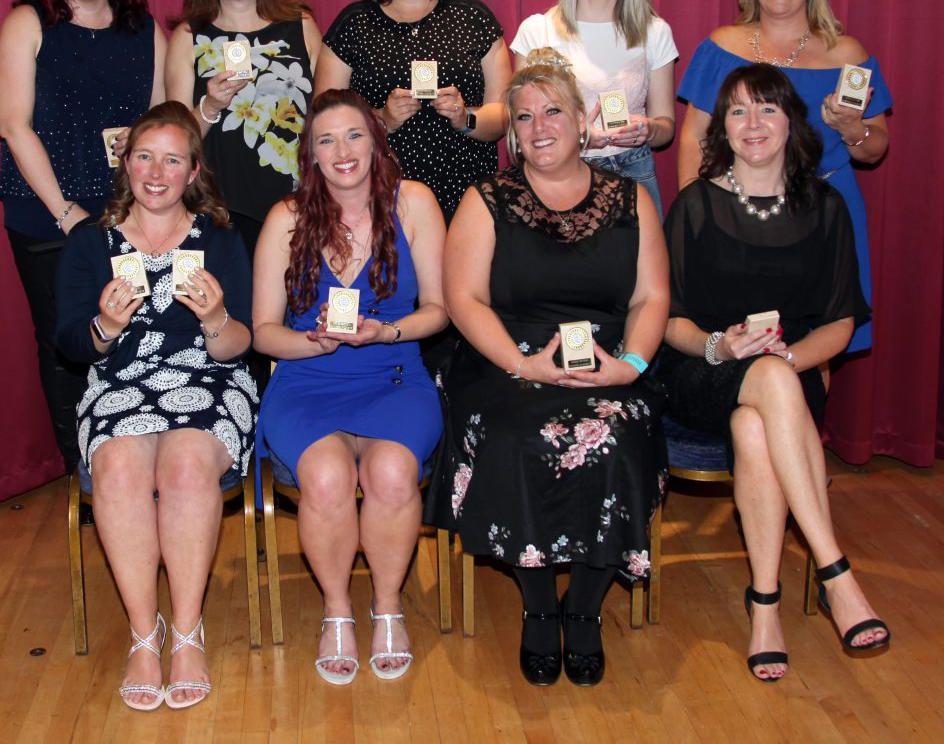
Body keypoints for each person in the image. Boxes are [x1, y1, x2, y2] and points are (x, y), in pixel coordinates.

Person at [431, 49, 669, 687]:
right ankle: (538, 605)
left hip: (610, 362)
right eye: (524, 116)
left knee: (617, 434)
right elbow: (464, 300)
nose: (539, 127)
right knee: (516, 436)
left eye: (553, 112)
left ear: (583, 119)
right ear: (511, 131)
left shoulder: (630, 199)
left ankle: (585, 607)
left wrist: (629, 367)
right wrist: (523, 364)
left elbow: (652, 299)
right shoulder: (487, 199)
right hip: (505, 358)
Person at [658, 64, 890, 683]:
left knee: (756, 428)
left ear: (792, 122)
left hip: (792, 372)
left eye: (767, 108)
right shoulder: (695, 205)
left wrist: (784, 362)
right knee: (764, 390)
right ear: (722, 129)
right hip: (703, 370)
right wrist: (719, 346)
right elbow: (667, 321)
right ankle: (836, 572)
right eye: (738, 111)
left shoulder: (827, 207)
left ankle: (764, 606)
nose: (753, 123)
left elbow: (840, 323)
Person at [56, 102, 258, 711]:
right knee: (118, 468)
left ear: (194, 171)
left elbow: (239, 346)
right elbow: (70, 343)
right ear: (126, 163)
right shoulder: (90, 242)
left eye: (172, 160)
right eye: (144, 157)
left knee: (187, 467)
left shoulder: (220, 239)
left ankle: (188, 632)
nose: (156, 172)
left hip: (209, 378)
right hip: (120, 381)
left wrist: (216, 317)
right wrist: (105, 325)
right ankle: (145, 637)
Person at [253, 89, 447, 684]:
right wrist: (313, 341)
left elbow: (439, 310)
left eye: (354, 135)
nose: (343, 150)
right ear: (310, 153)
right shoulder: (285, 217)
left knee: (391, 474)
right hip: (308, 379)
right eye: (327, 140)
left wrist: (386, 331)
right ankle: (337, 611)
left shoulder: (414, 202)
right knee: (327, 476)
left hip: (395, 373)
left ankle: (387, 607)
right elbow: (263, 332)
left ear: (376, 140)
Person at [0, 0, 166, 473]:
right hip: (47, 217)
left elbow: (162, 123)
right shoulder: (28, 23)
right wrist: (66, 213)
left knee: (137, 333)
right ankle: (84, 472)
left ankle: (135, 458)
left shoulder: (145, 31)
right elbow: (13, 125)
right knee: (66, 342)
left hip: (128, 215)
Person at [676, 0, 891, 351]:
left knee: (818, 339)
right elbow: (694, 136)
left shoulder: (848, 54)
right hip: (737, 213)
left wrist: (850, 127)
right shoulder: (721, 46)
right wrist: (695, 214)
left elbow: (875, 149)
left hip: (824, 213)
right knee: (736, 332)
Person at [314, 0, 512, 222]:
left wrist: (465, 118)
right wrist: (381, 120)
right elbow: (322, 118)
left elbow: (503, 115)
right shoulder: (353, 25)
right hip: (379, 197)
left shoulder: (474, 19)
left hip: (467, 196)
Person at [165, 0, 322, 257]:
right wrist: (211, 105)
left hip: (296, 200)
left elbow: (325, 113)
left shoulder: (301, 25)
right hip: (221, 209)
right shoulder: (189, 37)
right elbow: (174, 140)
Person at [512, 0, 677, 214]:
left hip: (634, 172)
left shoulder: (655, 32)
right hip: (557, 173)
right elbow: (518, 121)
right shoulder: (537, 30)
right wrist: (579, 137)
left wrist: (650, 129)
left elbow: (666, 125)